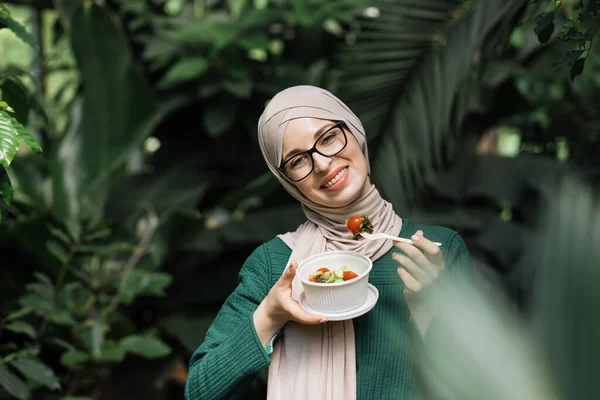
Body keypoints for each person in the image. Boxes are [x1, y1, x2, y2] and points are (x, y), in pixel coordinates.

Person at [184, 86, 473, 400]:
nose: (321, 164)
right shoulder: (276, 264)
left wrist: (430, 305)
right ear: (286, 181)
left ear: (355, 132)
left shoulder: (435, 250)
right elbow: (200, 392)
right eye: (297, 161)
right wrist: (271, 315)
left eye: (327, 138)